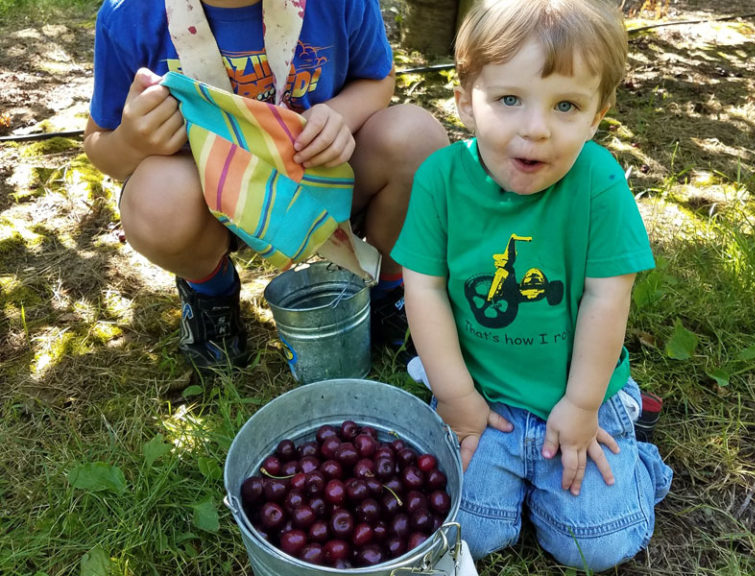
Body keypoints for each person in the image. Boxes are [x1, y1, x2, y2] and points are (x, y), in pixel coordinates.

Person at [391, 0, 673, 571]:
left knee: (594, 543)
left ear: (596, 116)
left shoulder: (598, 182)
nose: (536, 128)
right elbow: (424, 290)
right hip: (483, 394)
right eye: (509, 99)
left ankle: (637, 458)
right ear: (465, 102)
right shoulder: (440, 179)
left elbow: (607, 296)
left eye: (566, 105)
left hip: (574, 393)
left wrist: (583, 403)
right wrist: (456, 397)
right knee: (467, 533)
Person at [83, 0, 449, 372]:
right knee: (156, 196)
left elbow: (378, 78)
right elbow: (100, 144)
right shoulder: (128, 16)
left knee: (416, 139)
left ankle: (389, 291)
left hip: (324, 180)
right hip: (214, 201)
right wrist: (131, 142)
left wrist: (342, 114)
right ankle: (211, 293)